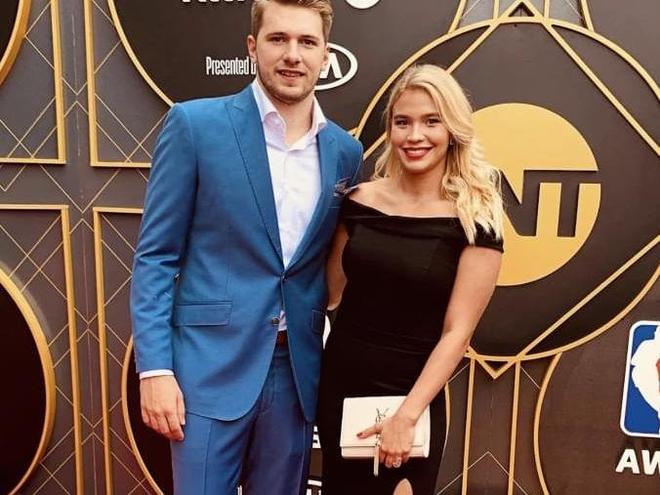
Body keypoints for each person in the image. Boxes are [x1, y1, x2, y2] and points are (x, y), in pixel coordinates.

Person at [130, 1, 362, 493]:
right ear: (253, 47)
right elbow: (156, 256)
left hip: (295, 372)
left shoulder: (345, 151)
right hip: (206, 367)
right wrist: (155, 370)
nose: (293, 54)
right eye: (279, 39)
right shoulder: (195, 126)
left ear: (325, 55)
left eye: (307, 42)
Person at [317, 64, 504, 494]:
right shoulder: (359, 202)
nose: (414, 135)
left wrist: (407, 414)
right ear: (390, 129)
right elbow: (327, 294)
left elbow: (458, 332)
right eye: (402, 122)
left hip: (412, 397)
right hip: (341, 386)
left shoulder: (476, 220)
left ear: (452, 130)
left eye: (431, 121)